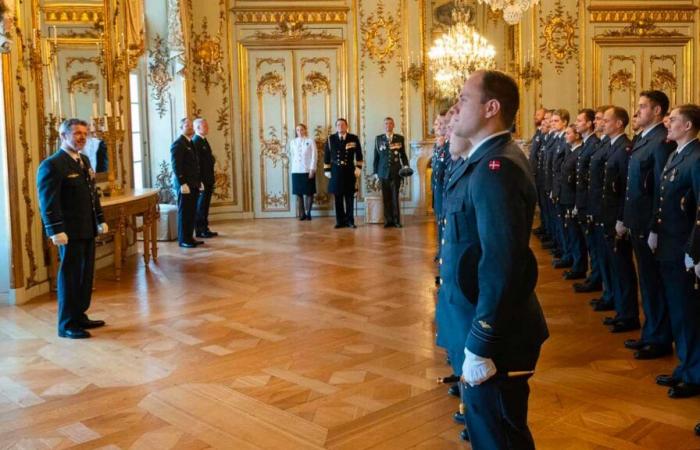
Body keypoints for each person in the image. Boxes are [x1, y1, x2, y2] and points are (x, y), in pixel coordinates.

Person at [449, 70, 548, 449]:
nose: (457, 107)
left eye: (464, 98)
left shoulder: (497, 167)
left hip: (499, 332)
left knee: (499, 437)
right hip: (491, 321)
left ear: (491, 108)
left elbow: (502, 263)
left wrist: (481, 342)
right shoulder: (488, 159)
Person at [36, 118, 108, 339]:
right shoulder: (52, 165)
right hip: (68, 232)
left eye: (85, 134)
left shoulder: (84, 160)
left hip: (87, 228)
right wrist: (54, 229)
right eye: (77, 133)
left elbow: (91, 194)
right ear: (63, 136)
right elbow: (48, 201)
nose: (82, 137)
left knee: (85, 275)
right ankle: (66, 323)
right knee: (70, 276)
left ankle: (79, 315)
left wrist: (100, 218)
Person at [619, 91, 675, 359]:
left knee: (654, 283)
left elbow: (660, 191)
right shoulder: (644, 139)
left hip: (649, 224)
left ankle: (660, 338)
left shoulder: (661, 142)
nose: (637, 111)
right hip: (638, 221)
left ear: (657, 110)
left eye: (642, 106)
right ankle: (651, 332)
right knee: (648, 283)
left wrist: (654, 227)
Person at [652, 104, 700, 398]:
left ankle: (694, 374)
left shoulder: (696, 158)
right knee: (678, 312)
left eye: (674, 121)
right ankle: (685, 367)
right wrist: (656, 231)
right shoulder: (676, 154)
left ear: (689, 126)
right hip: (669, 244)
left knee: (688, 314)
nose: (667, 124)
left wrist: (695, 250)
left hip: (683, 247)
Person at [600, 106, 639, 333]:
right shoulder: (612, 146)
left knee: (623, 268)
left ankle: (629, 315)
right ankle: (621, 310)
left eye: (607, 120)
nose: (602, 123)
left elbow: (626, 188)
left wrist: (621, 219)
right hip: (608, 215)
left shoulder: (624, 148)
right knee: (616, 266)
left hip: (617, 218)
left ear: (618, 124)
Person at [572, 109, 601, 292]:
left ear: (589, 123)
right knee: (591, 244)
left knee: (595, 247)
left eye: (579, 120)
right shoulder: (586, 144)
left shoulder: (594, 144)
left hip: (591, 202)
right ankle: (595, 277)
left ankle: (596, 279)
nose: (576, 123)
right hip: (583, 200)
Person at [558, 124, 588, 279]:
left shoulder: (579, 153)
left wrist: (577, 203)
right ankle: (575, 263)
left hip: (573, 199)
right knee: (571, 233)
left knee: (577, 236)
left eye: (568, 133)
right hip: (566, 197)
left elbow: (578, 181)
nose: (565, 136)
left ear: (577, 135)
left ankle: (579, 266)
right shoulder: (572, 152)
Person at [324, 118, 363, 228]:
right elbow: (326, 155)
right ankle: (340, 221)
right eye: (338, 125)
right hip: (336, 171)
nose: (340, 126)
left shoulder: (353, 138)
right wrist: (327, 170)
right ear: (336, 127)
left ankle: (350, 221)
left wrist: (358, 168)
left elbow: (359, 155)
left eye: (342, 125)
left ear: (347, 126)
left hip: (349, 171)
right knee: (338, 198)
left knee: (349, 197)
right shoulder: (330, 139)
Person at [171, 117, 203, 248]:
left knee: (191, 212)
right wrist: (182, 183)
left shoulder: (190, 143)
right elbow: (176, 165)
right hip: (185, 185)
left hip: (193, 183)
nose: (190, 127)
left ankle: (190, 237)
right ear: (181, 128)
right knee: (184, 213)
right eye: (186, 125)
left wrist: (199, 181)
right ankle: (183, 239)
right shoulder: (178, 144)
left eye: (191, 125)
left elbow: (195, 165)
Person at [373, 117, 409, 227]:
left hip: (396, 172)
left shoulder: (399, 138)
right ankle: (388, 221)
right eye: (386, 124)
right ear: (384, 126)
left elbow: (403, 154)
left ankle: (396, 221)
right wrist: (375, 173)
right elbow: (376, 157)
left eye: (390, 123)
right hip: (383, 172)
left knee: (394, 196)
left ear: (393, 125)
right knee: (386, 197)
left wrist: (406, 166)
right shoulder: (378, 139)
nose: (388, 125)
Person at [192, 118, 218, 238]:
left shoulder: (203, 140)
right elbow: (197, 164)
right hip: (203, 180)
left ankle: (205, 228)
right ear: (197, 128)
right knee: (201, 206)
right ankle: (200, 230)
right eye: (205, 126)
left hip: (208, 178)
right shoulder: (196, 141)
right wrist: (199, 181)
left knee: (205, 205)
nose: (207, 128)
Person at [289, 123, 317, 220]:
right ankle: (302, 214)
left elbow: (314, 156)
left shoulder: (310, 141)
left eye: (301, 129)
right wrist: (293, 169)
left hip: (307, 170)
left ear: (305, 130)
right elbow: (292, 156)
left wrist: (312, 169)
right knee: (298, 193)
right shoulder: (292, 142)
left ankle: (308, 213)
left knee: (309, 192)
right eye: (297, 130)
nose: (300, 132)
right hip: (296, 170)